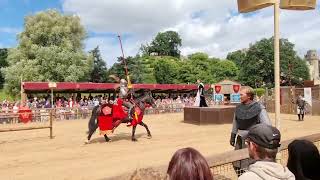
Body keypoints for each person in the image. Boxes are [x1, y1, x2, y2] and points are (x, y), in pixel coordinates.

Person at [230, 86, 271, 174]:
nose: (239, 96)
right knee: (237, 163)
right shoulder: (238, 108)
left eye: (241, 94)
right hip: (240, 139)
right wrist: (233, 135)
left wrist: (258, 137)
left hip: (254, 141)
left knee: (252, 164)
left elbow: (267, 125)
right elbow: (235, 123)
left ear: (249, 96)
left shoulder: (259, 107)